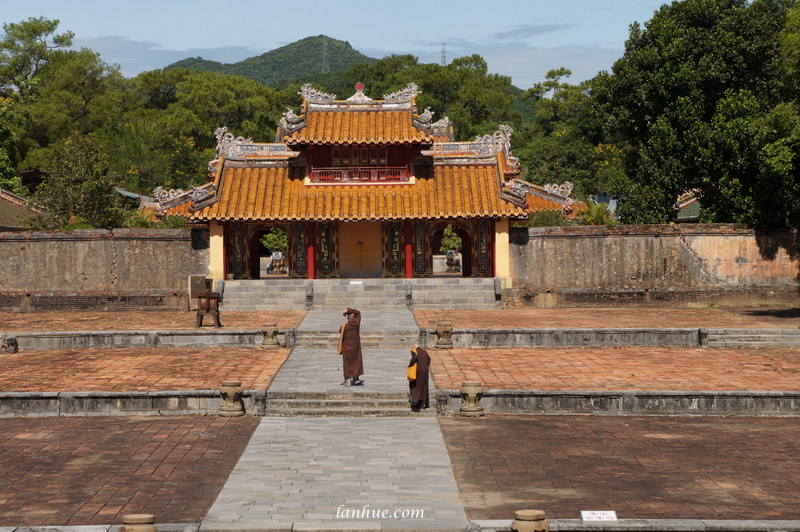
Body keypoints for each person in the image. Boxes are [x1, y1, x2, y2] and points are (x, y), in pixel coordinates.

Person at [338, 308, 364, 386]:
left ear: (347, 318)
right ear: (355, 318)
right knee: (356, 362)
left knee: (347, 363)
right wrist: (348, 310)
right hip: (355, 348)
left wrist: (346, 312)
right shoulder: (356, 325)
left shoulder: (344, 326)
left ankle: (348, 380)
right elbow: (358, 312)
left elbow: (340, 332)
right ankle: (356, 378)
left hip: (347, 348)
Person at [408, 344, 430, 411]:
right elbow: (429, 359)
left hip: (418, 370)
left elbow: (414, 358)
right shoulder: (425, 351)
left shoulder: (414, 351)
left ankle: (415, 399)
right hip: (425, 370)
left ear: (414, 347)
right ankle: (424, 403)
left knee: (415, 384)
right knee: (424, 385)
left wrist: (410, 365)